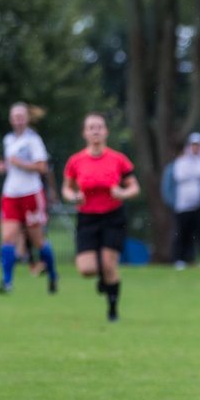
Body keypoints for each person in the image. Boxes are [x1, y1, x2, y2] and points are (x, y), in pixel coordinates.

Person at [61, 112, 140, 321]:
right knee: (87, 269)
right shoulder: (76, 161)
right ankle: (104, 281)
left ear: (106, 132)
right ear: (84, 133)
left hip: (112, 216)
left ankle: (113, 310)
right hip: (87, 217)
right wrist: (73, 196)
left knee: (108, 264)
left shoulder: (118, 159)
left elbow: (134, 187)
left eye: (99, 127)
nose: (95, 131)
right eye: (91, 127)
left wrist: (122, 193)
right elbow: (67, 189)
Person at [0, 102, 58, 295]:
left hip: (30, 194)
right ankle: (7, 283)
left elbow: (42, 167)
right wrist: (2, 168)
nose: (18, 120)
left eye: (21, 116)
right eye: (15, 116)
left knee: (38, 241)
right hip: (10, 194)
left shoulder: (33, 140)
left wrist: (20, 163)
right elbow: (8, 164)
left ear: (27, 118)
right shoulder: (8, 140)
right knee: (7, 238)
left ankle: (53, 275)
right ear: (11, 119)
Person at [171, 132, 200, 270]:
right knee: (183, 230)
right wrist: (196, 174)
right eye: (193, 146)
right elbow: (180, 175)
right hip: (184, 202)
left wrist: (193, 173)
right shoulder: (181, 161)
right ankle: (181, 258)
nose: (196, 149)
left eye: (198, 146)